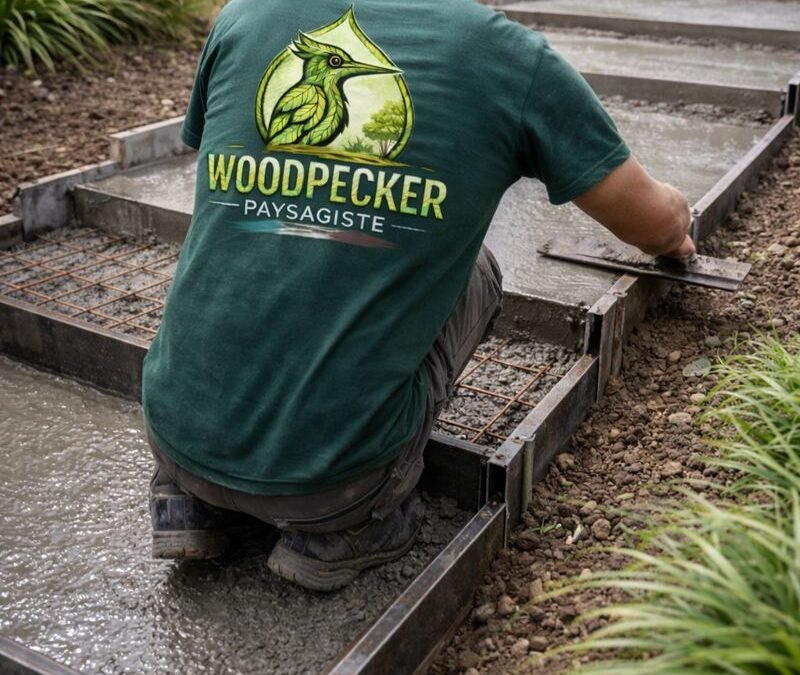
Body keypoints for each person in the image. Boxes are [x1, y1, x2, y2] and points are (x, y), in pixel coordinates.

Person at [142, 0, 692, 591]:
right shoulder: (507, 58)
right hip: (333, 483)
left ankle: (187, 500)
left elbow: (234, 186)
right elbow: (656, 226)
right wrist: (679, 224)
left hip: (170, 430)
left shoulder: (246, 14)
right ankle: (344, 534)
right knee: (475, 269)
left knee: (259, 235)